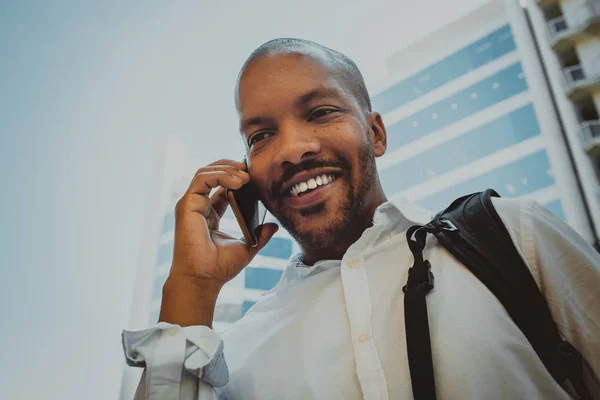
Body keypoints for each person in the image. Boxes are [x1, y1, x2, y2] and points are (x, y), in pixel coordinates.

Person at [122, 38, 600, 400]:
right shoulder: (238, 353)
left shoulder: (513, 236)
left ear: (375, 133)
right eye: (261, 136)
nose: (292, 149)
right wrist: (190, 287)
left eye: (321, 112)